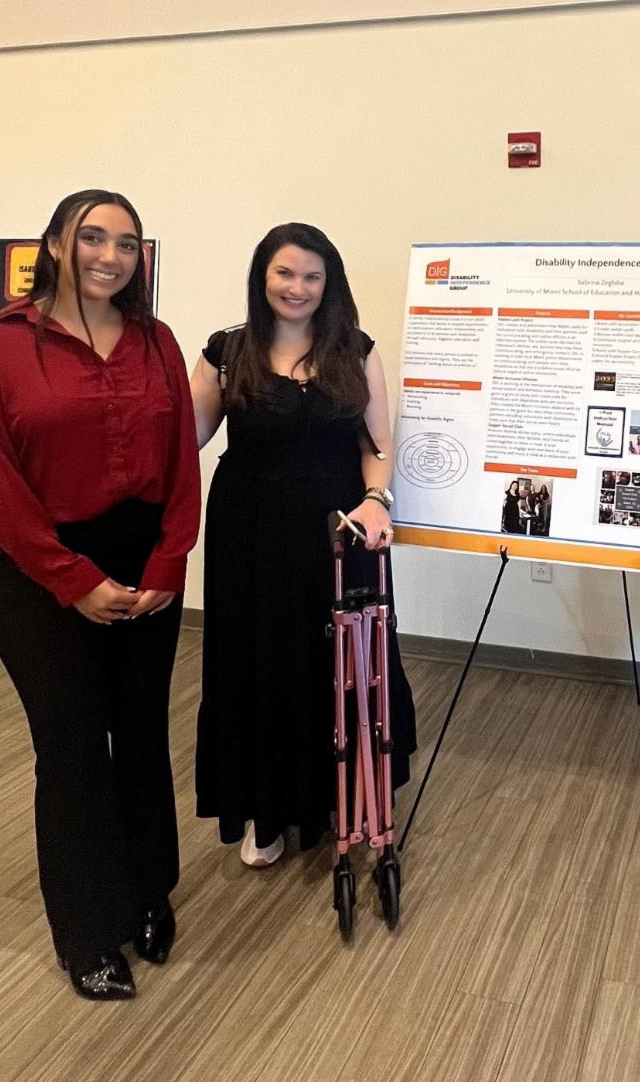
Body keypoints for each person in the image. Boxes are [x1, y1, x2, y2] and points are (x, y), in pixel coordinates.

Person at [0, 190, 200, 999]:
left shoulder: (157, 341)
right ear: (55, 243)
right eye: (92, 237)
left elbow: (181, 464)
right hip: (39, 570)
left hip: (144, 560)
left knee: (143, 735)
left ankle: (149, 893)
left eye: (126, 244)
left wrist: (168, 564)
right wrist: (73, 580)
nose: (110, 257)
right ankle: (87, 930)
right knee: (72, 750)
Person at [190, 223, 416, 868]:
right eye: (285, 273)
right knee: (256, 662)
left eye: (312, 276)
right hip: (249, 532)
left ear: (329, 283)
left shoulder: (355, 350)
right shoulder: (226, 351)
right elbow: (182, 438)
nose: (297, 287)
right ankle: (264, 809)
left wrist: (377, 500)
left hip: (340, 530)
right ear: (262, 277)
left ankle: (341, 795)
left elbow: (377, 445)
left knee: (343, 664)